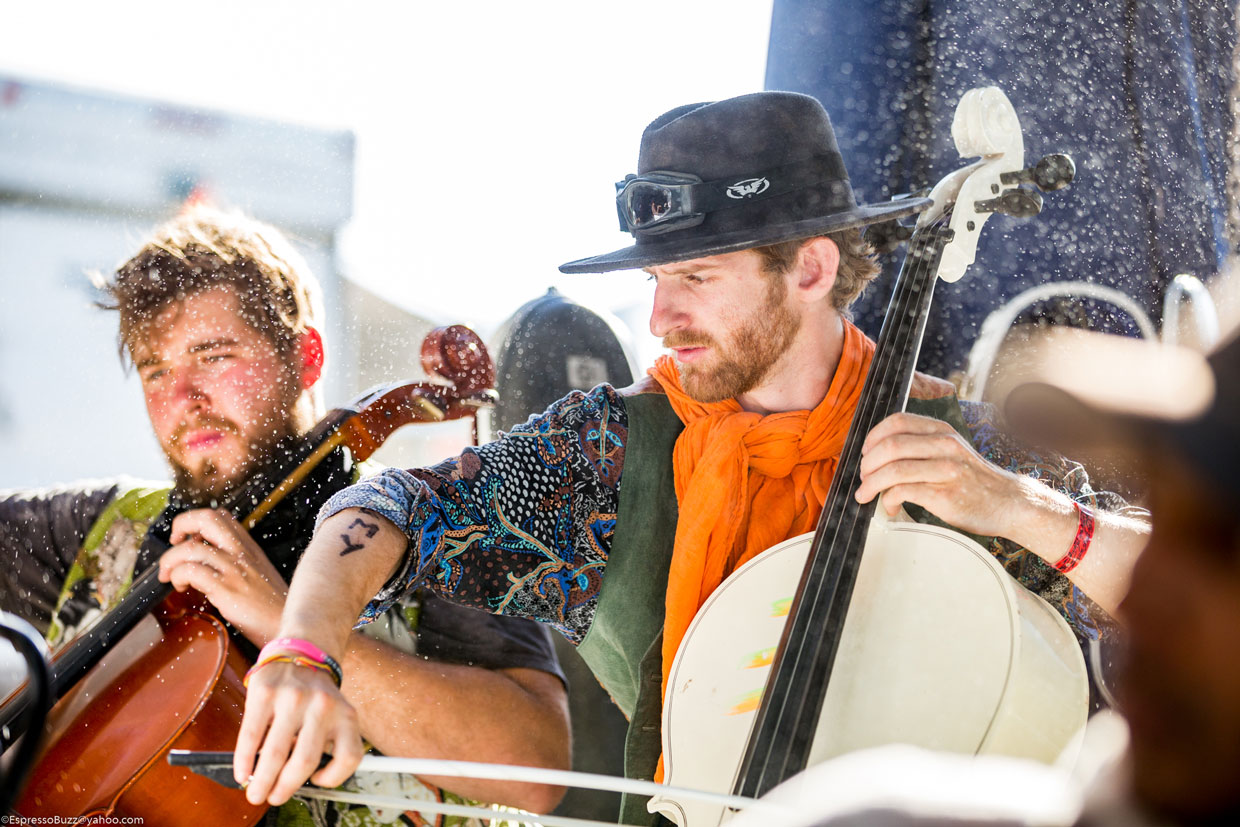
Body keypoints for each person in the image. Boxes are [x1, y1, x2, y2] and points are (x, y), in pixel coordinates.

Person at [234, 92, 1151, 820]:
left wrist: (1022, 510)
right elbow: (386, 507)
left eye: (697, 277)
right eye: (656, 280)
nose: (661, 317)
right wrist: (303, 648)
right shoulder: (610, 450)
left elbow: (1194, 588)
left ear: (811, 269)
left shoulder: (960, 450)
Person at [0, 206, 570, 825]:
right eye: (156, 370)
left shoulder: (422, 518)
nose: (183, 397)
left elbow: (536, 763)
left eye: (213, 356)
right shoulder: (99, 527)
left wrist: (288, 626)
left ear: (306, 357)